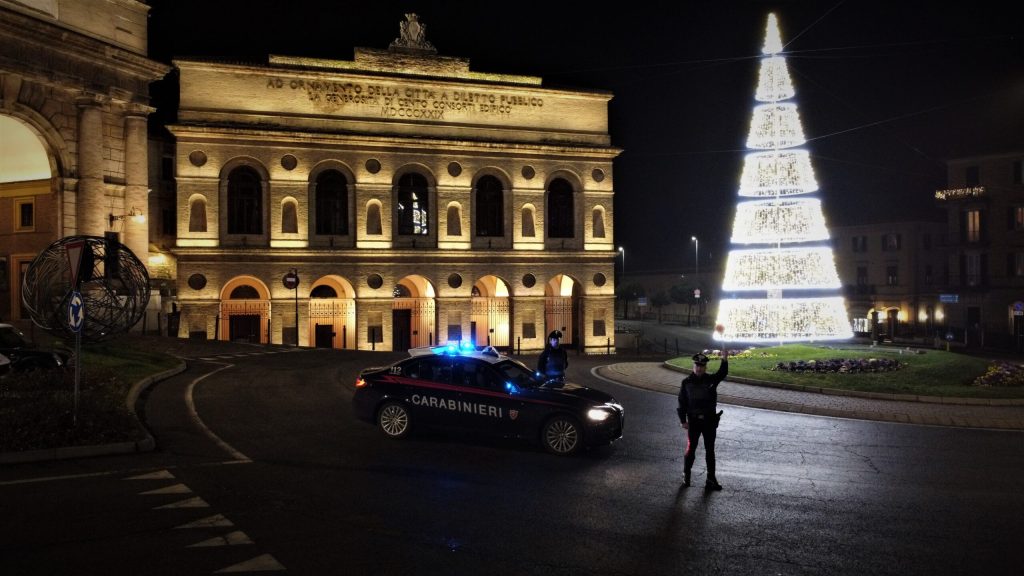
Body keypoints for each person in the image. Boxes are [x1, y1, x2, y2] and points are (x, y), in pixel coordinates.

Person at [678, 349, 729, 490]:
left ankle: (710, 479)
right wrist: (683, 420)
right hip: (693, 422)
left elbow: (722, 373)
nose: (699, 368)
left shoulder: (711, 380)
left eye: (702, 366)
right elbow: (682, 402)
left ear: (705, 367)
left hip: (709, 422)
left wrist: (724, 359)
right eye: (697, 366)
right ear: (693, 367)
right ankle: (686, 475)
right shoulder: (686, 383)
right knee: (691, 449)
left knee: (710, 451)